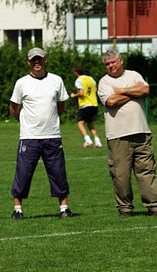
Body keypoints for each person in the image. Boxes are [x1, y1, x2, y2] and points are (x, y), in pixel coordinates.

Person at [98, 49, 157, 216]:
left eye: (113, 62)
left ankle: (154, 206)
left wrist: (121, 91)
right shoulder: (104, 82)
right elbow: (111, 101)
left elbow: (145, 91)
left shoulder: (134, 75)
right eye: (107, 64)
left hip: (141, 131)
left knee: (147, 171)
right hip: (117, 135)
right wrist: (134, 93)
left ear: (121, 61)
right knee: (120, 175)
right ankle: (125, 208)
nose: (110, 66)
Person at [9, 48, 72, 220]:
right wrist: (26, 123)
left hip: (52, 136)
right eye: (33, 60)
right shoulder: (22, 83)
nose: (37, 62)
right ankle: (17, 209)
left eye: (39, 59)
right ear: (28, 62)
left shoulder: (56, 80)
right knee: (23, 173)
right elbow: (14, 109)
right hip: (29, 137)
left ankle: (64, 208)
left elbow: (60, 106)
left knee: (58, 173)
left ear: (45, 60)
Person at [71, 66, 103, 149]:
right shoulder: (90, 78)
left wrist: (74, 95)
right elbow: (95, 89)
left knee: (80, 123)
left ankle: (87, 140)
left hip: (85, 104)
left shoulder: (79, 80)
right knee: (90, 124)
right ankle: (98, 142)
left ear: (76, 72)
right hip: (94, 104)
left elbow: (81, 93)